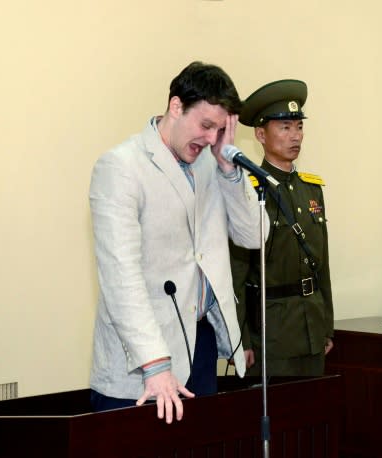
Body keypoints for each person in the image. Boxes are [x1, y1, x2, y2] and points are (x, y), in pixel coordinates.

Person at [88, 62, 263, 423]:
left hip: (198, 345)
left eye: (220, 129)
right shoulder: (121, 167)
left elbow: (252, 235)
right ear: (176, 106)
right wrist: (155, 363)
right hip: (140, 359)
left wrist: (229, 171)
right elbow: (121, 279)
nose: (213, 138)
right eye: (206, 125)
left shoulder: (212, 163)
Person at [230, 79, 333, 376]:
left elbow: (322, 265)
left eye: (299, 127)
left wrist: (326, 325)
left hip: (311, 328)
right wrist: (241, 340)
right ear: (261, 134)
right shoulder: (247, 192)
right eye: (285, 127)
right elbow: (237, 274)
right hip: (270, 334)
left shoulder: (311, 189)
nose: (295, 136)